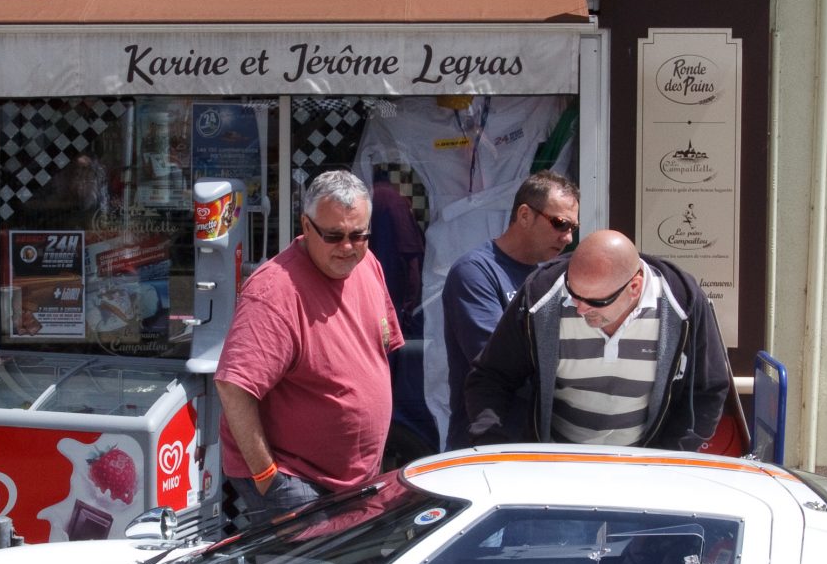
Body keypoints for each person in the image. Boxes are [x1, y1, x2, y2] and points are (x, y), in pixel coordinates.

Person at [214, 169, 403, 528]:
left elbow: (379, 349)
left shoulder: (368, 266)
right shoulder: (274, 292)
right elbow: (233, 386)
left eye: (358, 234)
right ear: (306, 225)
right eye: (333, 235)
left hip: (355, 479)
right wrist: (268, 477)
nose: (347, 247)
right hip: (296, 479)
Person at [461, 228, 730, 452]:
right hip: (555, 465)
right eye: (573, 292)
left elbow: (708, 389)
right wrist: (492, 445)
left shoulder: (681, 302)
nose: (579, 309)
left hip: (645, 470)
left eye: (595, 301)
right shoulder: (542, 296)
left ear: (634, 287)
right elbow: (491, 376)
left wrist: (670, 458)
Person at [436, 171, 579, 448]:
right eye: (560, 224)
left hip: (543, 443)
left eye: (573, 227)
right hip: (488, 443)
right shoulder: (476, 272)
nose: (568, 238)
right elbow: (496, 363)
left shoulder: (557, 276)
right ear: (525, 215)